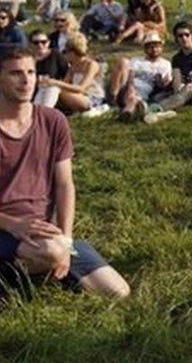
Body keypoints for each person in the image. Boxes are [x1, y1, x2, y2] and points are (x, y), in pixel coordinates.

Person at [0, 48, 130, 299]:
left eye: (30, 72)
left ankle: (31, 271)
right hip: (6, 225)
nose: (26, 80)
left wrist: (66, 240)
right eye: (15, 73)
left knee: (117, 291)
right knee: (50, 252)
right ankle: (33, 270)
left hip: (46, 232)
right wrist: (14, 225)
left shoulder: (53, 120)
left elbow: (64, 185)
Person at [108, 31, 172, 122]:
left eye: (157, 46)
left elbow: (166, 83)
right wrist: (130, 86)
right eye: (150, 47)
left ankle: (126, 114)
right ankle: (113, 99)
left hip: (144, 92)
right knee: (123, 61)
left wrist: (161, 82)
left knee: (133, 98)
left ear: (162, 48)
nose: (154, 49)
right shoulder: (137, 60)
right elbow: (130, 75)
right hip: (127, 87)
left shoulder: (166, 64)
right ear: (145, 49)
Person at [36, 33, 104, 113]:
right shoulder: (73, 66)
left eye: (65, 52)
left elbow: (81, 88)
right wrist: (51, 83)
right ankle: (37, 110)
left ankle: (42, 113)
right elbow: (64, 84)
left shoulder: (91, 64)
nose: (64, 55)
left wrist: (56, 82)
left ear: (73, 52)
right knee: (50, 87)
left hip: (93, 99)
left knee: (56, 88)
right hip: (78, 97)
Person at [29, 30, 69, 107]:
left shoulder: (55, 55)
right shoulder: (27, 58)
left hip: (52, 89)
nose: (40, 45)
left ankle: (44, 113)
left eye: (43, 42)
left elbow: (67, 74)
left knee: (52, 88)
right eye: (36, 43)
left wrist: (56, 82)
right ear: (30, 44)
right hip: (32, 90)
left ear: (48, 42)